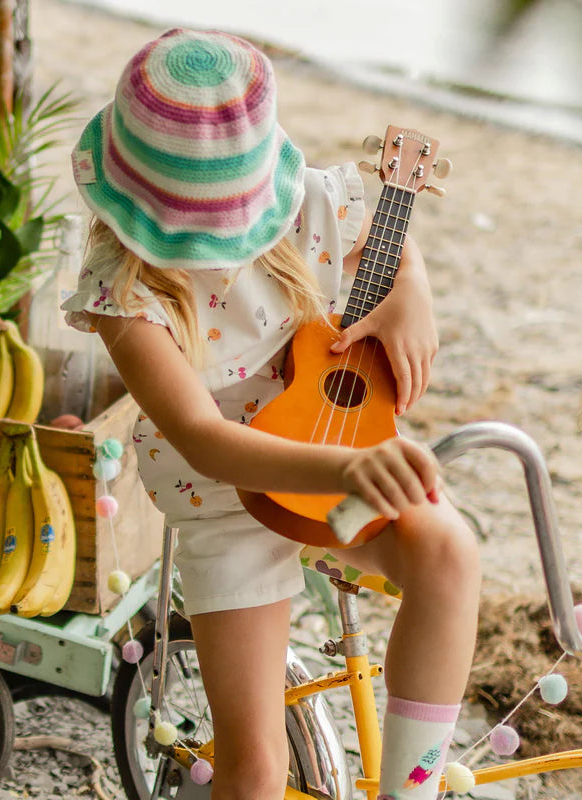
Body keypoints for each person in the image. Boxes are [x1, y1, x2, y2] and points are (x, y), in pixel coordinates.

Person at [63, 28, 481, 800]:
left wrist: (410, 293)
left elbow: (391, 242)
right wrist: (353, 467)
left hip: (334, 457)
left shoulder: (309, 206)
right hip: (223, 499)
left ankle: (411, 788)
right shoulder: (123, 296)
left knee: (450, 552)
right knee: (254, 772)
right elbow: (206, 441)